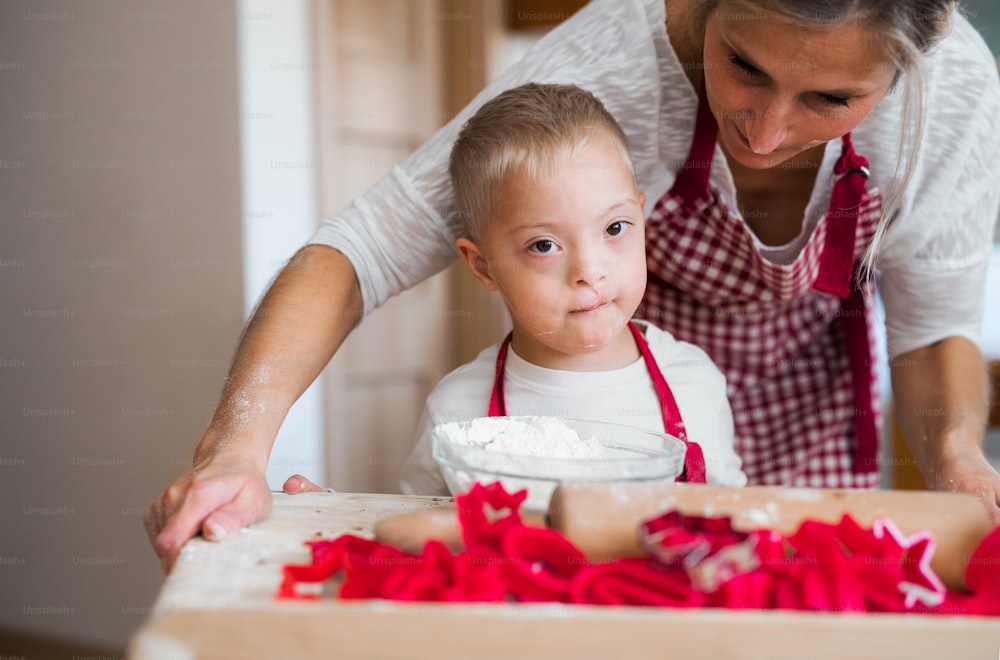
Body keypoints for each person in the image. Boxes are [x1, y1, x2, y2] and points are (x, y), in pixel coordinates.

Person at [146, 0, 1000, 572]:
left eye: (829, 98)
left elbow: (932, 330)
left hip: (818, 394)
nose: (768, 131)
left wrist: (959, 463)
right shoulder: (608, 64)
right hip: (610, 374)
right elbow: (361, 248)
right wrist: (238, 451)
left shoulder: (951, 95)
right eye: (742, 65)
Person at [399, 83, 747, 494]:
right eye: (544, 245)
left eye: (614, 228)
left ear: (641, 215)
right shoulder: (456, 412)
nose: (589, 271)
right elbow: (415, 533)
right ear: (484, 266)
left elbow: (730, 519)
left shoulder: (694, 380)